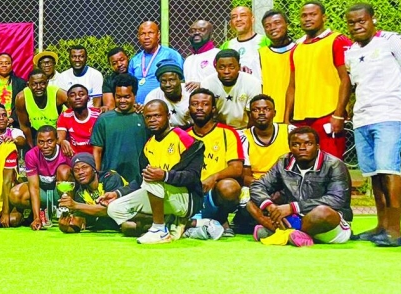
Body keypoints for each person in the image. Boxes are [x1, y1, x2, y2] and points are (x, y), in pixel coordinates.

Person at [342, 3, 401, 247]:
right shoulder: (351, 52)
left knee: (388, 168)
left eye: (362, 20)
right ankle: (381, 226)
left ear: (373, 19)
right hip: (362, 117)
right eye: (351, 23)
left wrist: (399, 96)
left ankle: (395, 231)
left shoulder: (392, 40)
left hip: (388, 114)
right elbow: (356, 85)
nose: (357, 26)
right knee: (374, 173)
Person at [105, 100, 206, 244]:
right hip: (160, 195)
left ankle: (159, 230)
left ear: (168, 116)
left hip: (186, 198)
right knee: (114, 208)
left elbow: (193, 177)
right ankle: (169, 222)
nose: (152, 120)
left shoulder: (186, 140)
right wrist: (117, 193)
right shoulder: (148, 145)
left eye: (157, 116)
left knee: (153, 178)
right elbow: (141, 179)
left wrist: (165, 176)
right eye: (148, 117)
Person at [248, 127, 352, 247]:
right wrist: (270, 206)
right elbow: (258, 185)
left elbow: (336, 200)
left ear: (317, 146)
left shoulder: (334, 165)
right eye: (296, 144)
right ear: (289, 147)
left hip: (330, 226)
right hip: (295, 218)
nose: (302, 148)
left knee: (322, 212)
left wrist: (293, 207)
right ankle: (292, 234)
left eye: (308, 143)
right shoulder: (283, 162)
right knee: (252, 203)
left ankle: (280, 232)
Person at [286, 1, 352, 158]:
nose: (308, 19)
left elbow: (346, 79)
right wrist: (286, 119)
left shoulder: (337, 40)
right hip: (301, 118)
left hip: (328, 115)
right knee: (304, 165)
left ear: (324, 17)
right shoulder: (296, 48)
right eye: (304, 15)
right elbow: (292, 86)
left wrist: (339, 114)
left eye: (313, 15)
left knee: (332, 164)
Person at [187, 88, 244, 237]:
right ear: (189, 108)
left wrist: (213, 177)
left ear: (213, 109)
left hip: (213, 194)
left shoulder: (228, 133)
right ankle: (194, 222)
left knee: (230, 187)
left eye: (205, 104)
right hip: (189, 195)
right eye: (195, 104)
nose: (199, 108)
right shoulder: (182, 136)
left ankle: (221, 218)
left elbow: (237, 168)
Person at [9, 125, 71, 230]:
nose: (45, 146)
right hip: (42, 193)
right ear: (36, 142)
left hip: (59, 193)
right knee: (15, 195)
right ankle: (42, 212)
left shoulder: (65, 152)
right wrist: (36, 218)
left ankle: (67, 213)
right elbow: (34, 187)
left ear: (57, 140)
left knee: (64, 171)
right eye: (41, 142)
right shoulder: (31, 155)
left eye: (50, 141)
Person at [90, 74, 147, 184]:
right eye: (118, 97)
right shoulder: (104, 119)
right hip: (112, 179)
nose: (122, 100)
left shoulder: (144, 117)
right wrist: (96, 175)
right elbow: (97, 151)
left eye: (127, 97)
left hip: (140, 178)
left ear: (134, 95)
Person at [57, 153, 128, 234]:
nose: (80, 172)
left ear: (94, 168)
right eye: (76, 170)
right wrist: (65, 228)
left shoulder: (111, 178)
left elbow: (111, 210)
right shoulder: (80, 192)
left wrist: (76, 205)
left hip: (129, 220)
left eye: (84, 167)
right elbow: (77, 223)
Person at [200, 49, 262, 129]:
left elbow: (253, 115)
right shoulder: (207, 84)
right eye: (221, 67)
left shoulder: (253, 83)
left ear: (239, 67)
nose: (226, 71)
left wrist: (247, 133)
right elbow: (207, 114)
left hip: (244, 129)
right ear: (215, 67)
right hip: (218, 129)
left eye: (232, 67)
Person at [241, 95, 296, 184]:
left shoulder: (290, 132)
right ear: (250, 115)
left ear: (274, 113)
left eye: (266, 109)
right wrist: (266, 186)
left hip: (287, 183)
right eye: (256, 110)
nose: (261, 113)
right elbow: (245, 176)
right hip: (257, 184)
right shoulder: (243, 137)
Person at [128, 21, 183, 103]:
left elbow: (181, 80)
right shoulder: (134, 60)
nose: (146, 37)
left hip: (164, 106)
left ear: (158, 35)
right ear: (138, 37)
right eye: (143, 34)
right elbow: (130, 86)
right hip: (139, 107)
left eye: (150, 33)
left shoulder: (171, 54)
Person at [258, 10, 296, 123]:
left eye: (277, 23)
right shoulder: (260, 54)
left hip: (297, 115)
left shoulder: (299, 50)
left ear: (287, 25)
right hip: (270, 117)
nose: (272, 28)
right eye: (267, 26)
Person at [15, 69, 68, 146]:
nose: (38, 87)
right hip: (37, 133)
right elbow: (24, 126)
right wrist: (32, 147)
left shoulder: (59, 94)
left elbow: (76, 113)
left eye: (42, 83)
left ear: (47, 83)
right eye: (34, 84)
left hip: (58, 132)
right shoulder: (21, 98)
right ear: (28, 85)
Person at [221, 6, 270, 79]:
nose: (238, 19)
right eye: (234, 17)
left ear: (252, 19)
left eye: (243, 15)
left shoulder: (266, 42)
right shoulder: (226, 46)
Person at [56, 84, 100, 155]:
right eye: (72, 95)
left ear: (88, 98)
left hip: (95, 155)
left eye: (81, 94)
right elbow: (60, 139)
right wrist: (62, 142)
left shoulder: (98, 114)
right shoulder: (65, 116)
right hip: (74, 157)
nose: (77, 97)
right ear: (68, 100)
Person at [144, 63, 192, 128]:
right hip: (168, 132)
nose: (167, 85)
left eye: (172, 80)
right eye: (163, 81)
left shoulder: (190, 91)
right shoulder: (153, 97)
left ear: (180, 80)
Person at [181, 20, 219, 88]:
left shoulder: (218, 55)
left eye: (202, 30)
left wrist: (202, 85)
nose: (196, 33)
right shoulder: (188, 60)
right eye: (193, 31)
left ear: (211, 34)